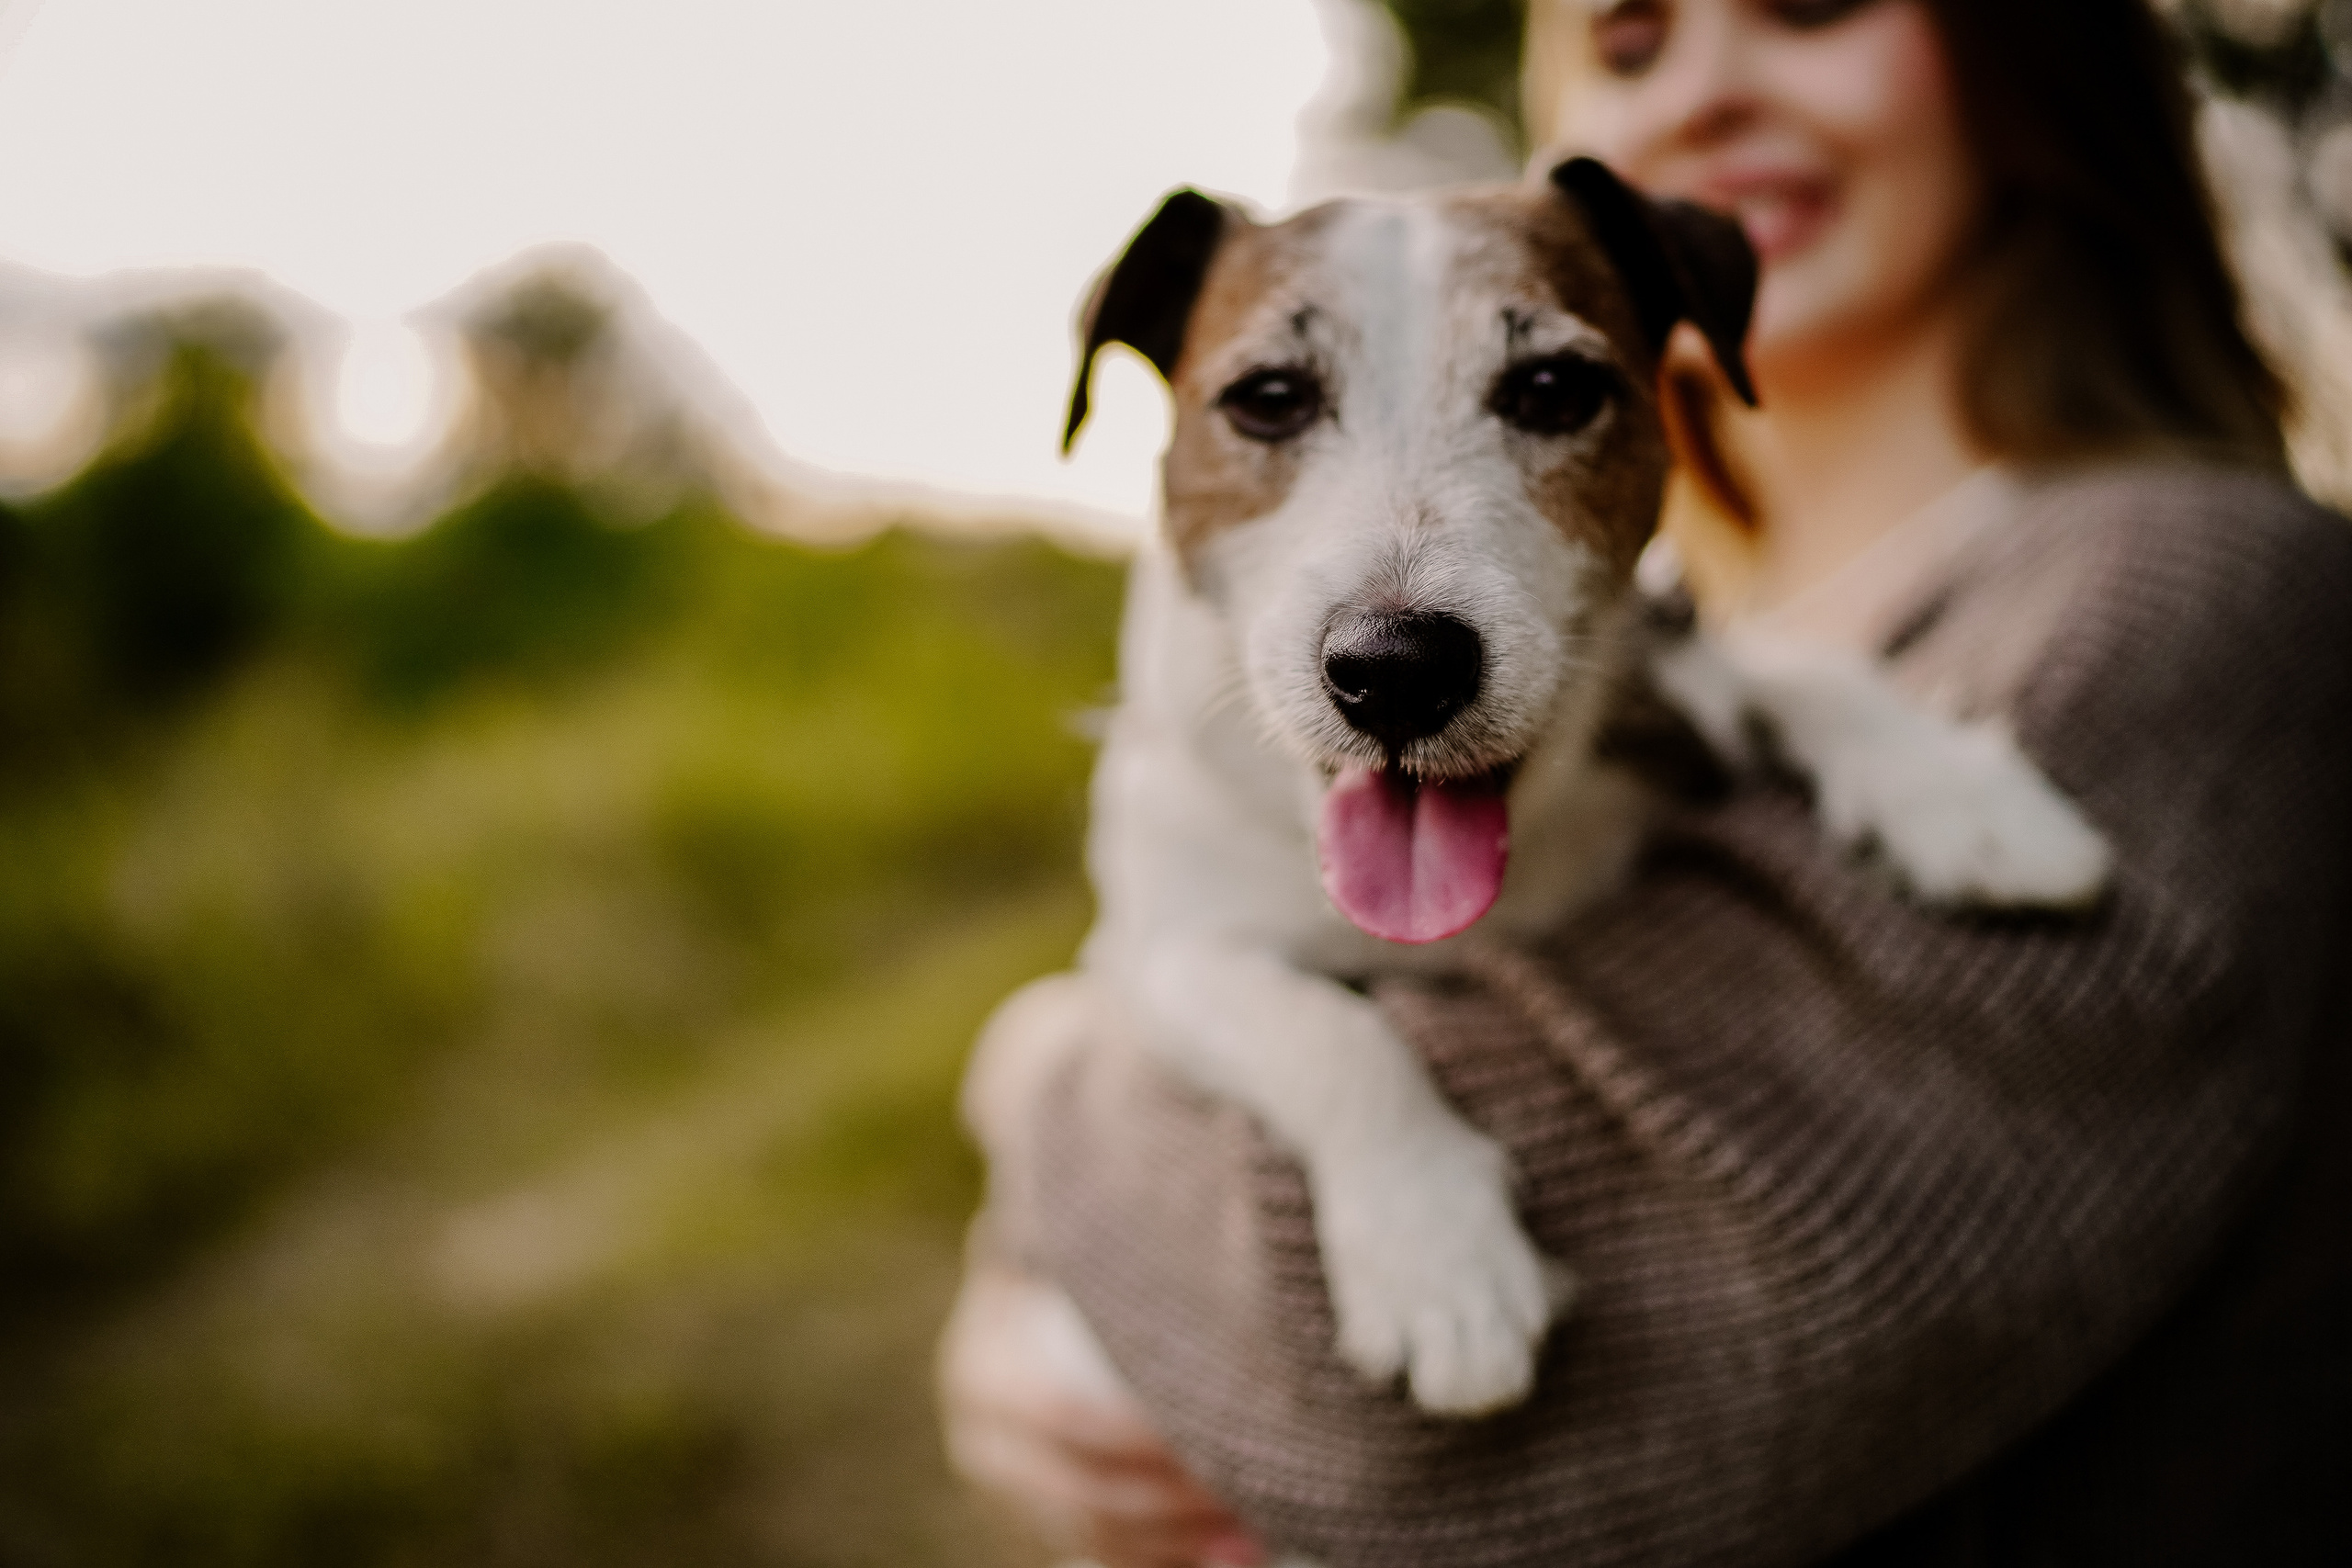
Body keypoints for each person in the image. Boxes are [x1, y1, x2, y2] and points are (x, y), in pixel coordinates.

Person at [939, 1, 2352, 1563]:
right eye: (1628, 39)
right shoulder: (1710, 649)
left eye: (1809, 5)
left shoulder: (2190, 606)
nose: (1709, 88)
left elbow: (1414, 1441)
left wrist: (1037, 1074)